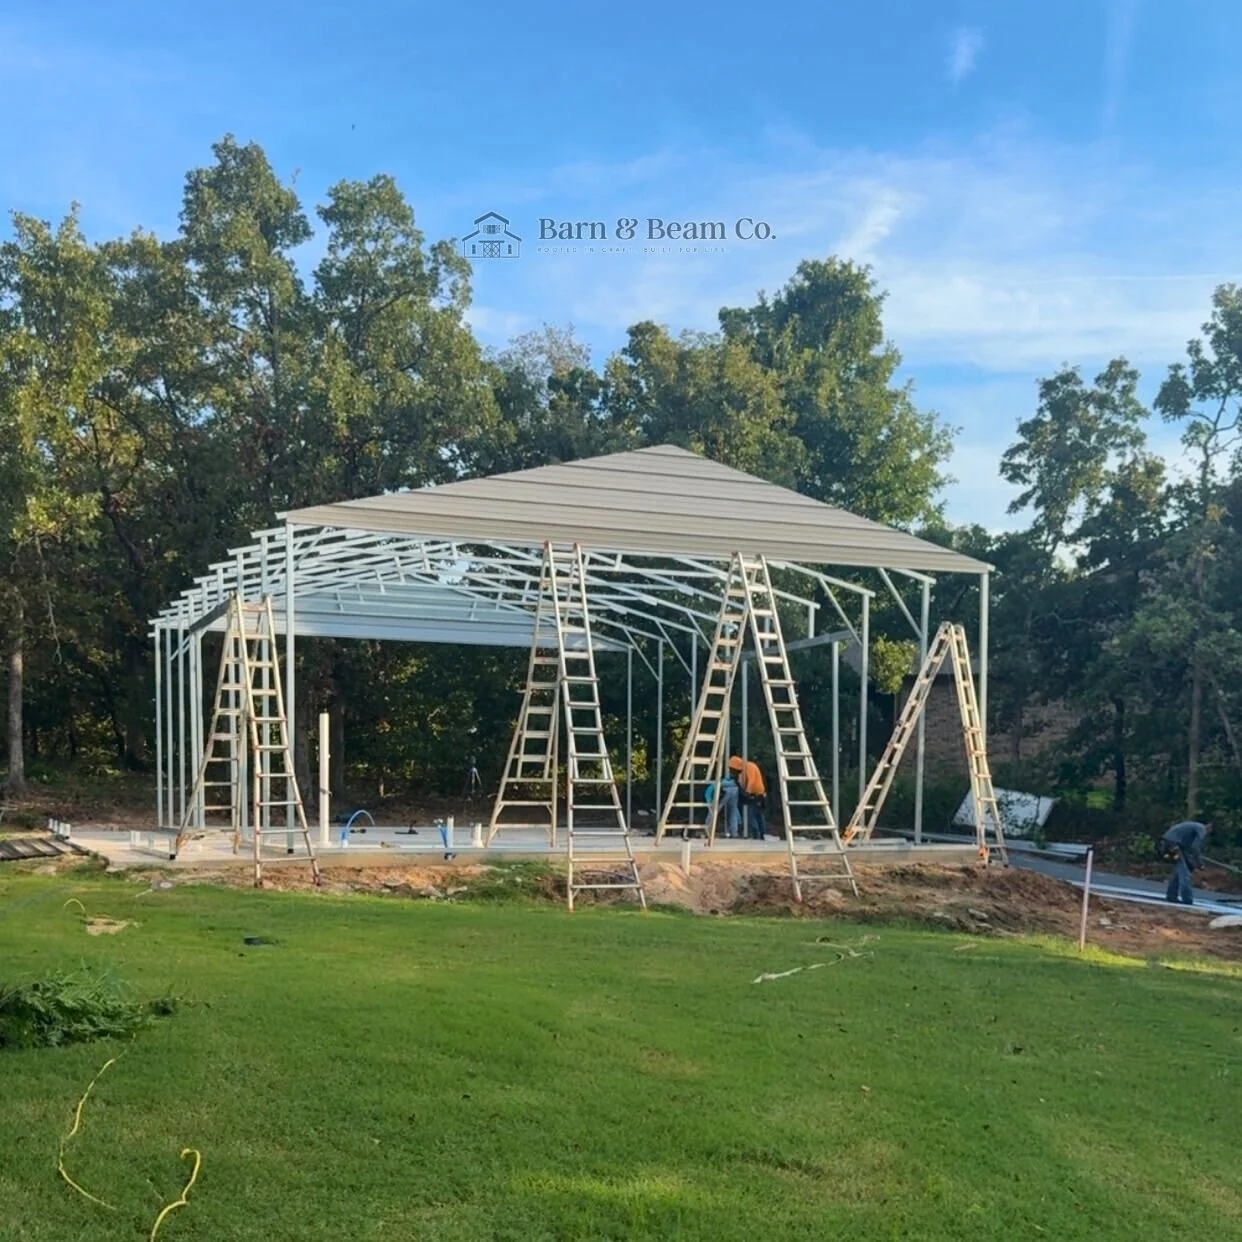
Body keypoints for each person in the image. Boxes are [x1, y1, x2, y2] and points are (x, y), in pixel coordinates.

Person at [1159, 820, 1211, 905]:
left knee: (1180, 871)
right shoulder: (1201, 828)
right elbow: (1195, 847)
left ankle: (1171, 895)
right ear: (1209, 826)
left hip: (1166, 844)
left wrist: (1191, 863)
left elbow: (1187, 850)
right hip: (1172, 845)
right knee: (1185, 874)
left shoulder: (1191, 827)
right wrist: (1200, 863)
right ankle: (1187, 899)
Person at [729, 755, 768, 840]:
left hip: (757, 794)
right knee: (758, 815)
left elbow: (751, 781)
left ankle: (758, 834)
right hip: (756, 794)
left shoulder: (749, 767)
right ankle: (761, 834)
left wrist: (747, 792)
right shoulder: (743, 771)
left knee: (752, 816)